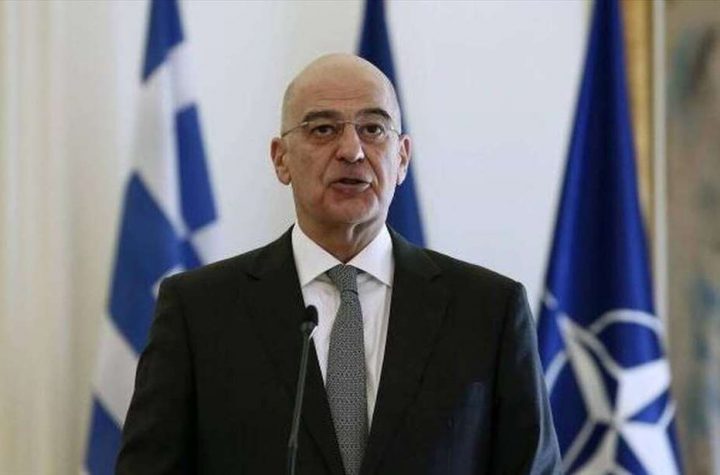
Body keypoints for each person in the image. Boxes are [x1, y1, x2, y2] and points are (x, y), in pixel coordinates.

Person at [116, 53, 561, 475]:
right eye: (323, 129)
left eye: (373, 129)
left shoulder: (488, 311)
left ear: (402, 157)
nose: (352, 150)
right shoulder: (199, 311)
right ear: (281, 159)